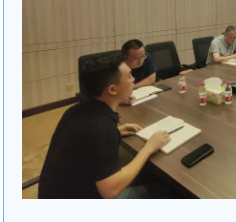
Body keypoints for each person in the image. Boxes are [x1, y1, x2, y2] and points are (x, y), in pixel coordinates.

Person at [38, 54, 171, 199]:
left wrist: (115, 132)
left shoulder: (75, 110)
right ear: (112, 90)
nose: (133, 79)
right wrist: (149, 148)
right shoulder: (102, 128)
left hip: (53, 192)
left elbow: (86, 140)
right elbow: (110, 191)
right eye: (129, 76)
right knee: (163, 187)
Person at [121, 39, 157, 105]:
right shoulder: (119, 66)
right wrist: (119, 98)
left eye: (142, 56)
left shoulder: (146, 57)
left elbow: (151, 80)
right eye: (136, 59)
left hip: (143, 97)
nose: (141, 61)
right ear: (125, 58)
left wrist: (132, 87)